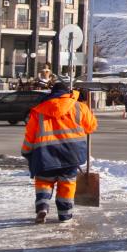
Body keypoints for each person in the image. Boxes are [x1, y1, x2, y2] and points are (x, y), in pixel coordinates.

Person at [21, 82, 98, 224]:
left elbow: (30, 136)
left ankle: (42, 207)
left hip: (45, 154)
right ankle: (65, 215)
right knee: (67, 184)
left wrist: (26, 151)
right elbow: (91, 127)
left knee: (44, 181)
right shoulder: (79, 107)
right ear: (68, 92)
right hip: (71, 154)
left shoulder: (39, 110)